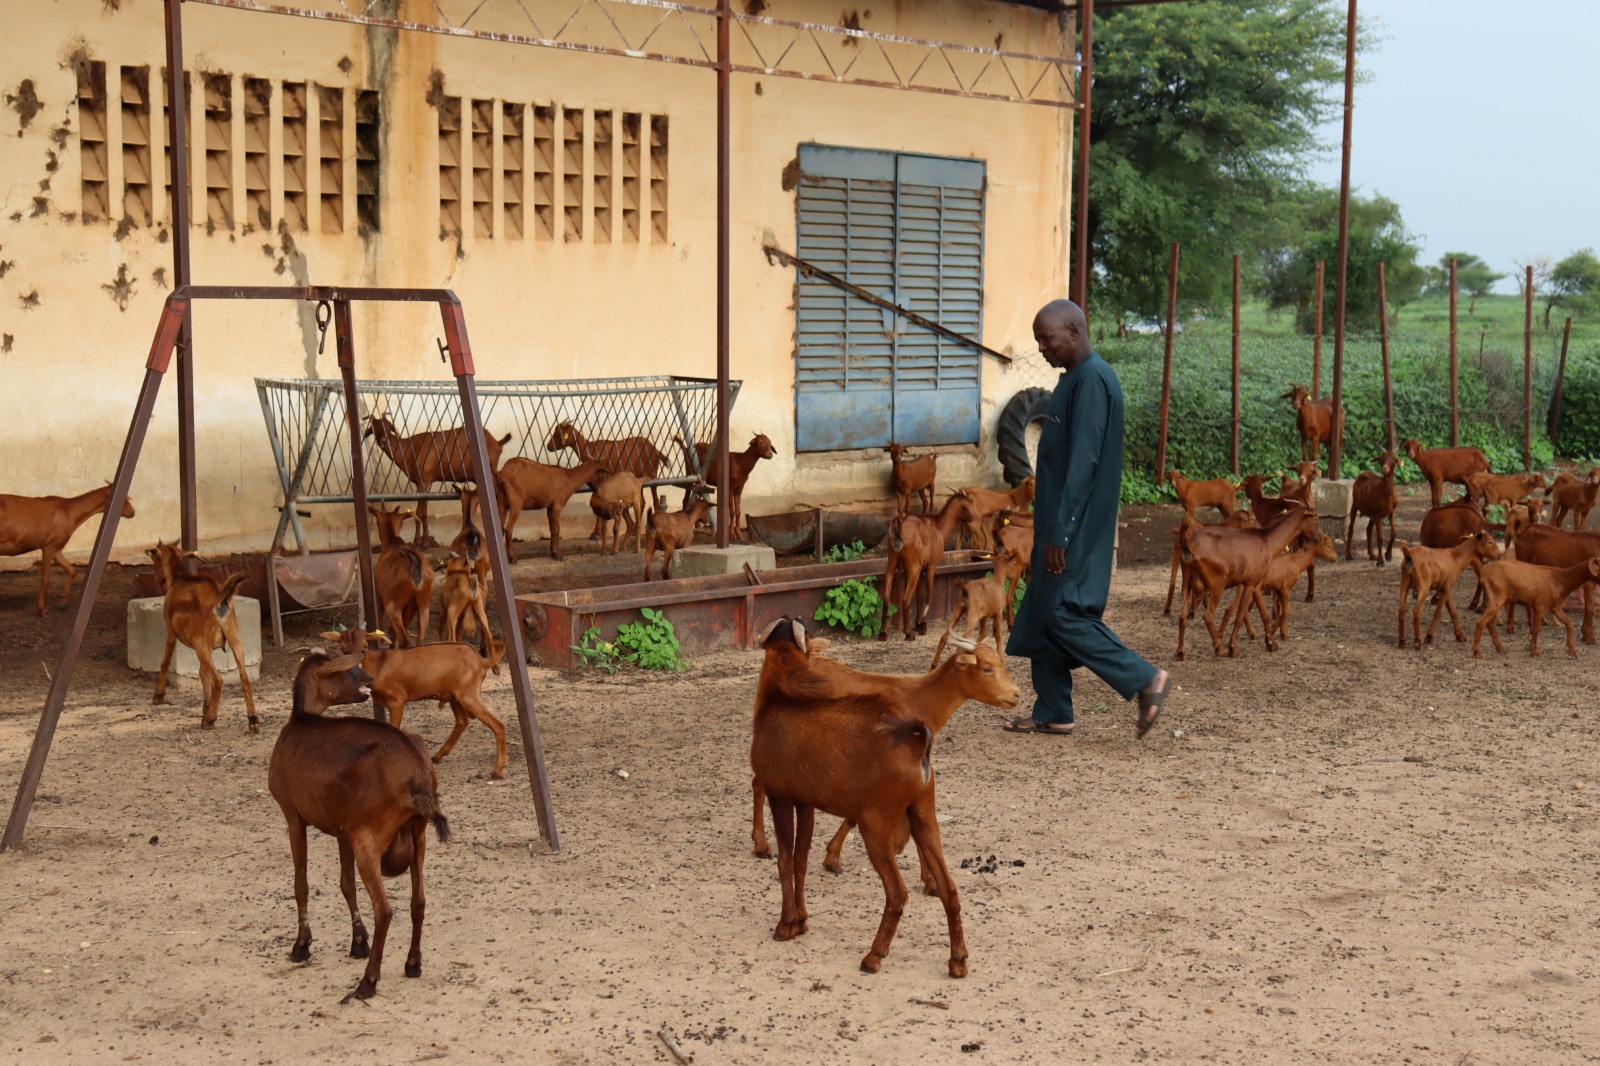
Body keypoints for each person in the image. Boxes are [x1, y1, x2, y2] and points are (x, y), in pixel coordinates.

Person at [1003, 299, 1170, 738]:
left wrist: (1060, 530)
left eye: (1047, 338)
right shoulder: (1072, 380)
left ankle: (1145, 679)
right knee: (1043, 607)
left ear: (1074, 331)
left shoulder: (1094, 380)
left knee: (1063, 612)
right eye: (1038, 339)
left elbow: (1084, 463)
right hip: (1057, 522)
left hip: (1074, 526)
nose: (1041, 347)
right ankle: (1054, 709)